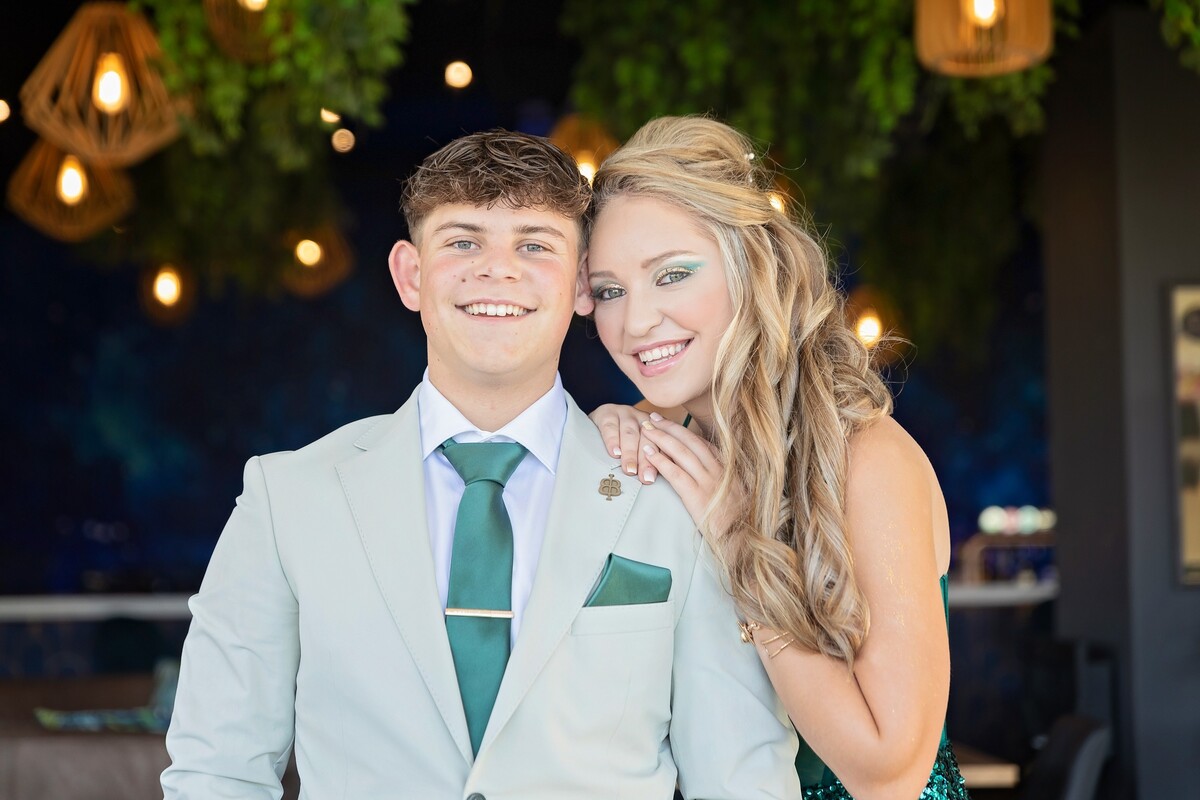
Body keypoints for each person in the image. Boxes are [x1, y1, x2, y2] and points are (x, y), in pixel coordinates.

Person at [160, 130, 801, 799]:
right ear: (411, 275)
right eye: (463, 242)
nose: (498, 270)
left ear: (582, 282)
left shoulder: (679, 496)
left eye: (535, 245)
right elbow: (216, 772)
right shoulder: (287, 498)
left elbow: (742, 780)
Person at [583, 116, 969, 800]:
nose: (635, 322)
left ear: (749, 264)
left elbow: (890, 776)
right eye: (610, 290)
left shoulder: (869, 461)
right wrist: (599, 435)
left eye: (671, 274)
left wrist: (741, 547)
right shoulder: (664, 439)